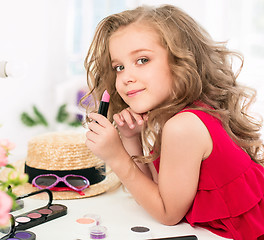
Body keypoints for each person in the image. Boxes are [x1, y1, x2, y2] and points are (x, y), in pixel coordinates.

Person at [82, 4, 264, 240]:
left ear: (182, 61)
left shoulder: (183, 126)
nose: (126, 77)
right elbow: (158, 193)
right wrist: (131, 139)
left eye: (142, 60)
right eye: (119, 67)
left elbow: (168, 214)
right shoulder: (181, 117)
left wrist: (115, 155)